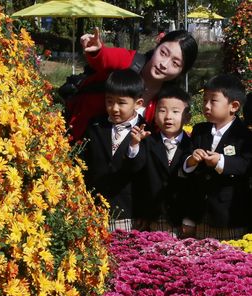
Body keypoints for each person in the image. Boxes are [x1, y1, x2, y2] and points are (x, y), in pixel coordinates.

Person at [67, 27, 198, 141]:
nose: (164, 64)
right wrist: (97, 50)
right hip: (80, 135)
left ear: (182, 72)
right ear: (157, 46)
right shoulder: (131, 62)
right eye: (163, 53)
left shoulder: (168, 99)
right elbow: (107, 57)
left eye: (175, 63)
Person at [181, 74, 252, 240]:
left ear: (234, 106)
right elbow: (185, 160)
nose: (206, 106)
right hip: (200, 215)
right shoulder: (199, 130)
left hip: (229, 218)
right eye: (205, 99)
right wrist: (191, 160)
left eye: (213, 101)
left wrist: (220, 161)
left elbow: (246, 165)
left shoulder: (244, 136)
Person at [81, 69, 148, 232]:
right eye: (109, 101)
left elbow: (145, 175)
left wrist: (133, 146)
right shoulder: (95, 126)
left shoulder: (147, 132)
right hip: (94, 210)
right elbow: (84, 164)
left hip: (128, 212)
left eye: (122, 103)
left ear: (138, 104)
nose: (114, 108)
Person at [133, 86, 193, 235]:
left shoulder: (193, 146)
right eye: (162, 110)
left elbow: (196, 186)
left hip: (183, 218)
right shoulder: (146, 142)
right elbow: (138, 180)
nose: (168, 117)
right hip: (153, 217)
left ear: (187, 117)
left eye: (175, 111)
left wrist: (191, 217)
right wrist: (141, 212)